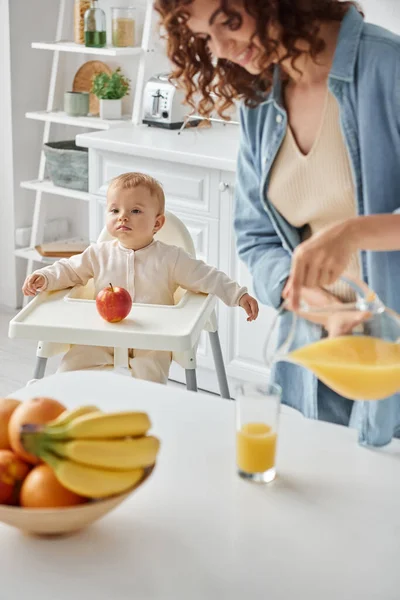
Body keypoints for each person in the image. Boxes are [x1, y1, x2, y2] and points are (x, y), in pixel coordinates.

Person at [155, 0, 400, 446]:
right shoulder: (261, 99)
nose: (223, 50)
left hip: (392, 358)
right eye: (206, 39)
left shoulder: (390, 67)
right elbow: (256, 236)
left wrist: (352, 233)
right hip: (313, 356)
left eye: (228, 23)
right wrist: (305, 295)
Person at [23, 172, 259, 384]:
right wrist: (45, 276)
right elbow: (68, 270)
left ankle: (144, 418)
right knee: (70, 370)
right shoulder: (98, 253)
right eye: (115, 210)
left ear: (157, 223)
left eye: (135, 211)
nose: (123, 217)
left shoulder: (171, 258)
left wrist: (238, 295)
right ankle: (69, 413)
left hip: (152, 339)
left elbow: (206, 276)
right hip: (102, 335)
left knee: (150, 379)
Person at [286, 214, 400, 309]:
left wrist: (353, 232)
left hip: (392, 315)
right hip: (316, 324)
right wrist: (323, 303)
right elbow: (269, 242)